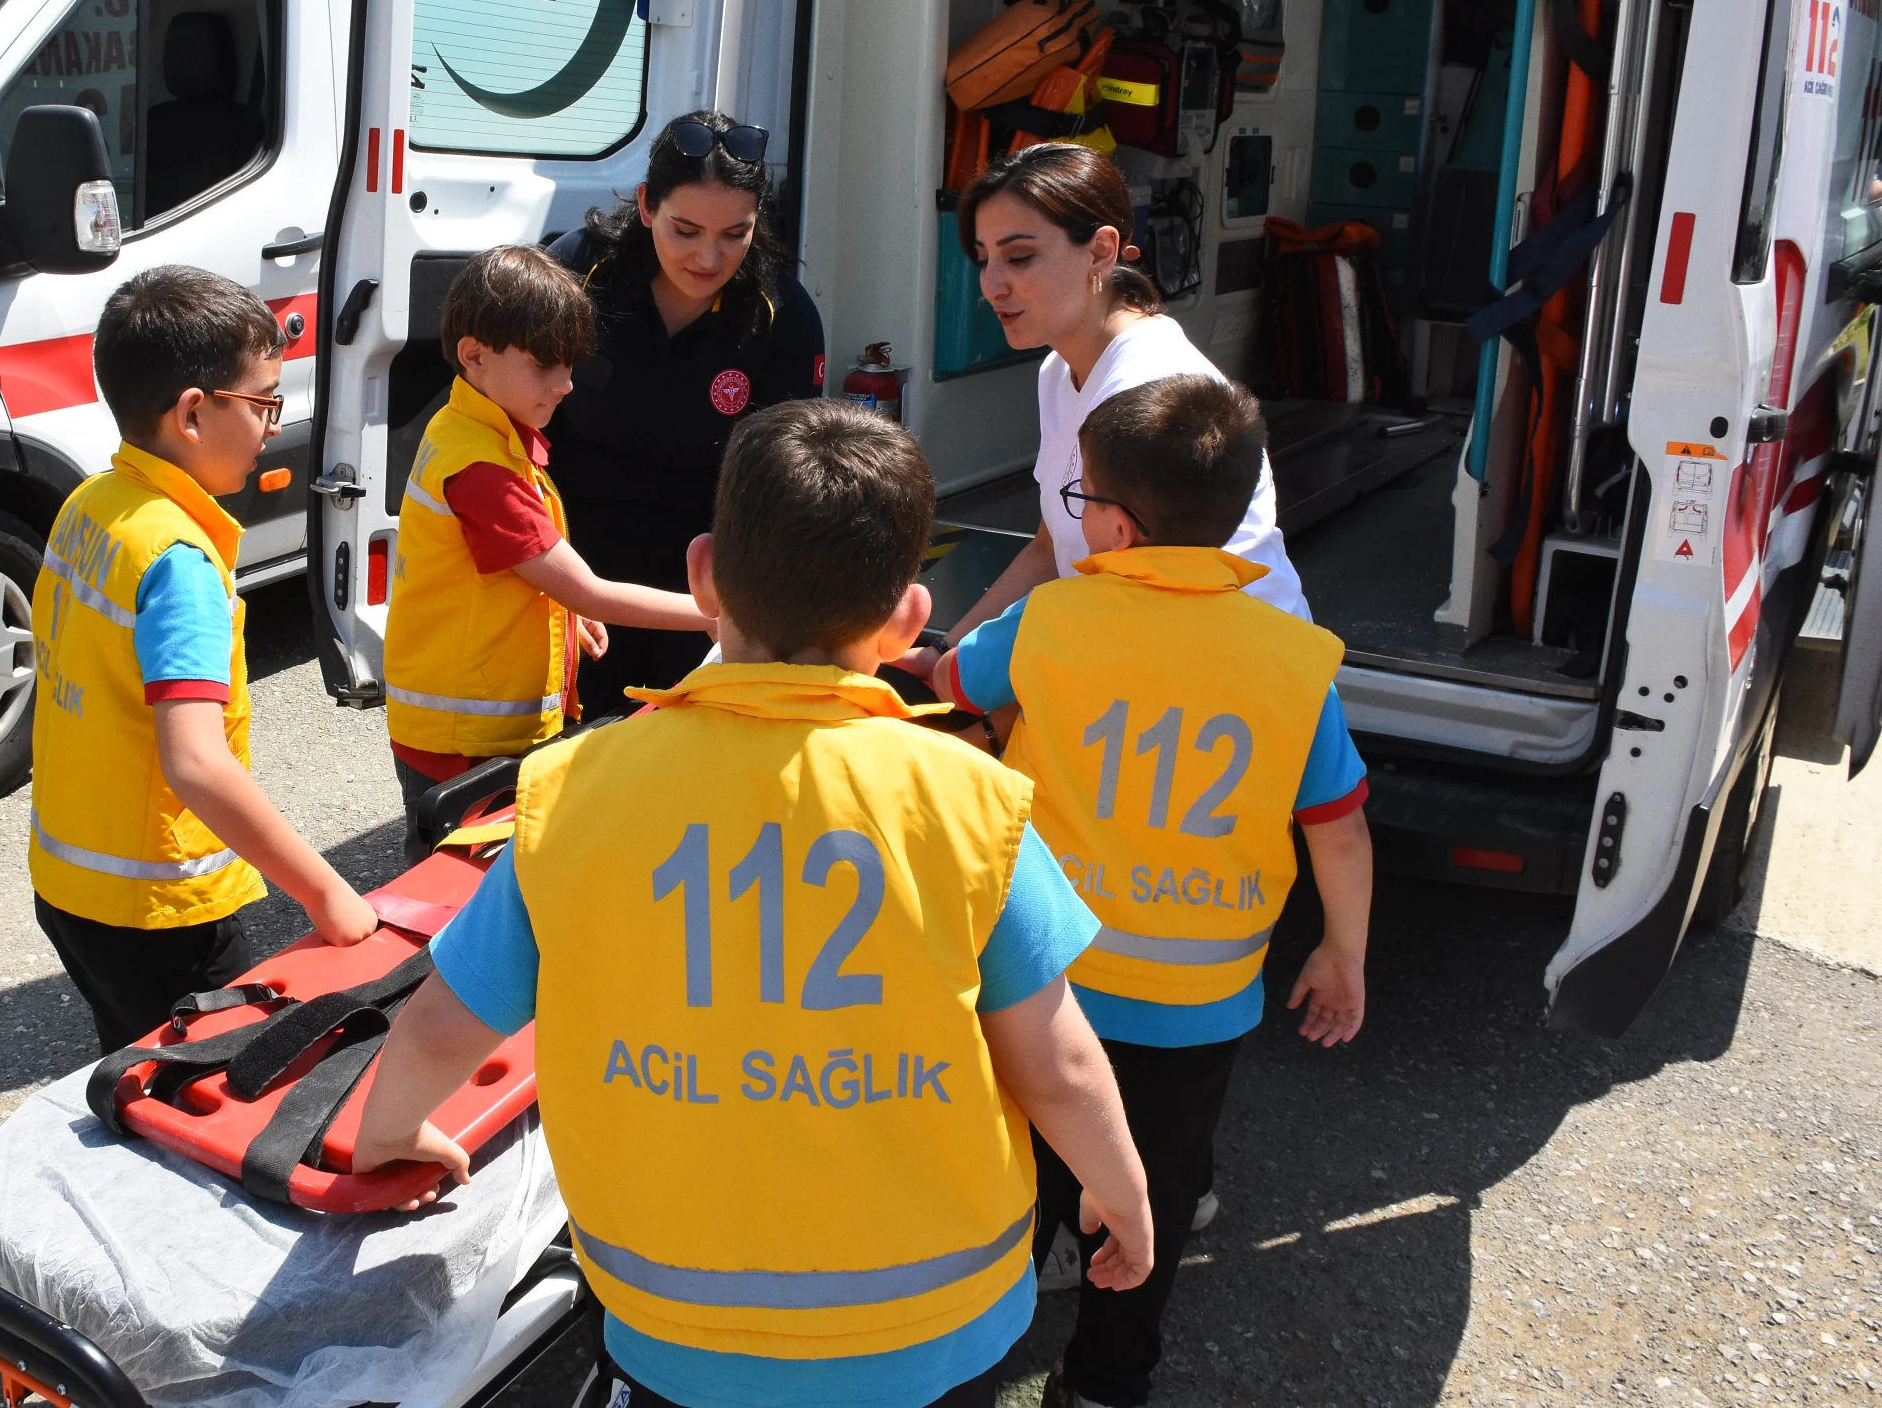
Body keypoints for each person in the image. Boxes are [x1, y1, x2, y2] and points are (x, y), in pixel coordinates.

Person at [351, 398, 1156, 1408]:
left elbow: (438, 1026)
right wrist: (1121, 1194)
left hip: (672, 1326)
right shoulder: (971, 803)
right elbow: (1060, 1065)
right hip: (933, 1323)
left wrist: (385, 1134)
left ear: (701, 576)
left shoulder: (570, 795)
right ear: (908, 618)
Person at [920, 375, 1373, 1408]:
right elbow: (1336, 830)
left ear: (1116, 526)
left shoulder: (1049, 625)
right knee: (1156, 1185)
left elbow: (955, 683)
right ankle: (1109, 1379)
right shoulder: (1296, 663)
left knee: (1015, 1186)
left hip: (1043, 987)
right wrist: (1339, 950)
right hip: (1197, 1006)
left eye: (1079, 503)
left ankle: (975, 1368)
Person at [29, 265, 378, 1055]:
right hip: (161, 912)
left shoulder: (93, 504)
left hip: (71, 886)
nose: (270, 427)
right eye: (263, 404)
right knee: (204, 1089)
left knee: (133, 1061)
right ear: (193, 412)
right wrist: (324, 893)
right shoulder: (179, 560)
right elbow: (194, 760)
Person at [383, 246, 707, 851]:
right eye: (545, 365)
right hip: (465, 743)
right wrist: (717, 615)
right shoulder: (481, 468)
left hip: (469, 729)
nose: (566, 384)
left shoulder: (472, 425)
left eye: (570, 364)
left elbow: (511, 569)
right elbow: (590, 588)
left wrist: (566, 611)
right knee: (463, 899)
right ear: (473, 355)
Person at [939, 143, 1305, 654]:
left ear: (1102, 250)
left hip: (1228, 680)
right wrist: (945, 654)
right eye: (984, 260)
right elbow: (1051, 549)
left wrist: (965, 677)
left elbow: (1151, 606)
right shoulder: (1058, 370)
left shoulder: (1152, 390)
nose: (992, 285)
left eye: (1019, 257)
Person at [544, 111, 826, 714]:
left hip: (706, 588)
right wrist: (546, 576)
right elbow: (512, 424)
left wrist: (753, 606)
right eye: (686, 229)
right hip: (573, 569)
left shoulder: (784, 314)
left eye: (735, 234)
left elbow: (788, 479)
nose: (708, 256)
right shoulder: (578, 271)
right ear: (646, 205)